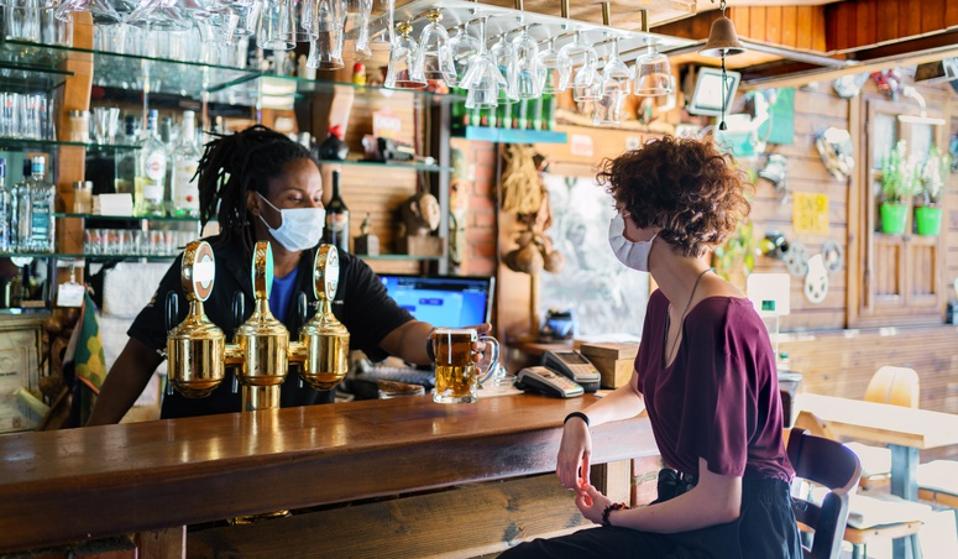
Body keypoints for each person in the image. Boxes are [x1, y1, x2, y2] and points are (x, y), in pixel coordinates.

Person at [501, 137, 801, 558]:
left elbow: (721, 502)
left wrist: (615, 515)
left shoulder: (722, 323)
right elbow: (635, 392)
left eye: (623, 210)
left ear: (654, 219)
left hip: (738, 537)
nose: (619, 223)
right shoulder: (665, 303)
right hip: (688, 513)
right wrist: (580, 420)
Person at [88, 125, 485, 423]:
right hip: (202, 451)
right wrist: (94, 439)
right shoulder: (204, 265)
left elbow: (399, 332)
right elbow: (140, 356)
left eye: (316, 198)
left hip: (300, 452)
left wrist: (441, 344)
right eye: (294, 199)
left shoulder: (340, 270)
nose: (311, 209)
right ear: (254, 203)